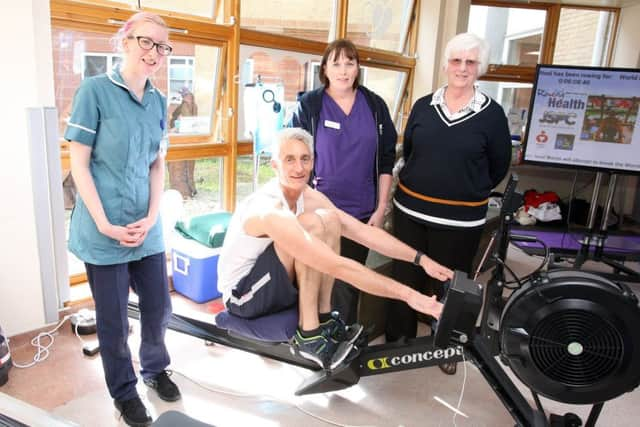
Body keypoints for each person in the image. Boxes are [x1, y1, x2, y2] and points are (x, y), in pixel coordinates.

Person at [217, 128, 453, 370]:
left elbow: (363, 233)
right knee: (309, 226)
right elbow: (333, 265)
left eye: (305, 159)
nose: (299, 168)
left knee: (329, 218)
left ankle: (323, 318)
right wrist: (411, 296)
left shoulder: (306, 195)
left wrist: (421, 259)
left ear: (312, 161)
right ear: (275, 165)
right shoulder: (269, 209)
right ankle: (309, 336)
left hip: (273, 282)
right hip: (243, 296)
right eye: (289, 159)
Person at [65, 12, 179, 427]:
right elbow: (79, 166)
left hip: (145, 227)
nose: (154, 53)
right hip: (103, 228)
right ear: (125, 41)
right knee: (113, 321)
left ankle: (154, 368)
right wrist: (106, 224)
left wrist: (152, 216)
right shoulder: (94, 91)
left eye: (162, 47)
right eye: (146, 42)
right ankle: (125, 392)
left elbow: (156, 164)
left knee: (158, 307)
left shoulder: (159, 101)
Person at [385, 33, 511, 375]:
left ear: (480, 68)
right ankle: (398, 340)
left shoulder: (493, 115)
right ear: (445, 65)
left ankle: (447, 346)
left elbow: (499, 165)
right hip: (410, 211)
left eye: (470, 62)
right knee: (405, 274)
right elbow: (409, 151)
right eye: (456, 60)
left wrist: (469, 190)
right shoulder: (424, 106)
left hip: (460, 220)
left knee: (452, 283)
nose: (462, 68)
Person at [288, 39, 397, 326]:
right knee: (314, 279)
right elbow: (292, 157)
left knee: (349, 282)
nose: (343, 70)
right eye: (336, 63)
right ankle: (312, 340)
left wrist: (381, 207)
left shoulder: (374, 106)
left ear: (358, 67)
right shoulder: (310, 105)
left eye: (350, 63)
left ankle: (342, 346)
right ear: (325, 68)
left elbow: (386, 160)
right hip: (319, 212)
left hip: (361, 214)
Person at [168, 87, 198, 198]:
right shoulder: (179, 106)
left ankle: (189, 189)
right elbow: (170, 121)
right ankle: (182, 191)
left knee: (189, 165)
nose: (187, 98)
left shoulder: (193, 106)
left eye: (188, 96)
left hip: (188, 138)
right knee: (178, 167)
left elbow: (192, 122)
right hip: (177, 138)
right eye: (185, 96)